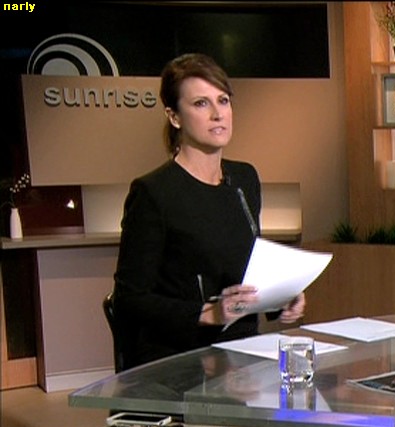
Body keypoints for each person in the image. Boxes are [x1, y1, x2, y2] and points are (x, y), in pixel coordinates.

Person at [113, 53, 305, 370]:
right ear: (175, 117)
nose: (218, 114)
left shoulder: (244, 178)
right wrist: (207, 314)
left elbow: (245, 272)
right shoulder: (153, 192)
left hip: (244, 352)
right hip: (182, 357)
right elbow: (129, 300)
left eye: (223, 101)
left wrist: (281, 298)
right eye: (201, 103)